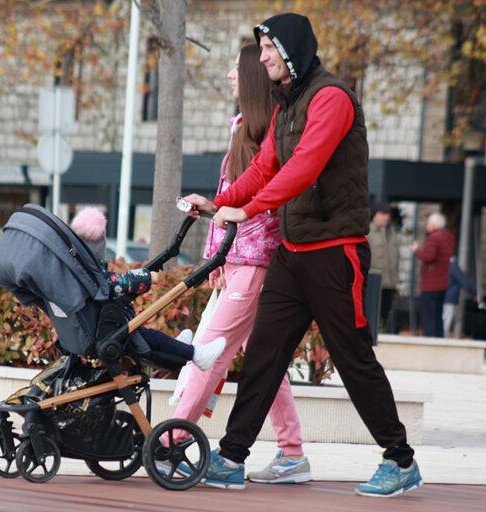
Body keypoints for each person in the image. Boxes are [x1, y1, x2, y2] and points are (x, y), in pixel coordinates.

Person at [183, 13, 422, 497]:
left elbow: (303, 168)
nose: (262, 59)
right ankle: (231, 457)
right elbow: (265, 166)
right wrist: (219, 204)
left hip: (335, 254)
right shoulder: (285, 104)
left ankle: (400, 460)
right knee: (263, 356)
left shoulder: (331, 98)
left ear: (291, 50)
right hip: (292, 255)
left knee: (353, 359)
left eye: (268, 49)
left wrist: (247, 209)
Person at [170, 44, 309, 485]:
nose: (230, 75)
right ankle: (292, 453)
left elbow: (255, 201)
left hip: (253, 261)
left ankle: (171, 442)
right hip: (241, 259)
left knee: (208, 352)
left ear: (251, 78)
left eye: (235, 69)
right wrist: (218, 256)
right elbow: (229, 196)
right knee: (265, 361)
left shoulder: (268, 133)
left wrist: (226, 252)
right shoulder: (242, 127)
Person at [69, 207, 225, 371]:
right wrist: (147, 277)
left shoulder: (79, 269)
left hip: (104, 329)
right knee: (152, 338)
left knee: (150, 338)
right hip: (107, 332)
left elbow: (111, 281)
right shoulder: (89, 274)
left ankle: (177, 347)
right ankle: (196, 354)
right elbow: (116, 283)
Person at [411, 212, 455, 338]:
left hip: (431, 284)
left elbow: (429, 256)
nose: (427, 225)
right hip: (443, 283)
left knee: (428, 316)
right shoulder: (448, 236)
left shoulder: (433, 237)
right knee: (438, 316)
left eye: (428, 223)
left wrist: (416, 250)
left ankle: (430, 341)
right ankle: (440, 340)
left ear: (434, 224)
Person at [367, 202, 399, 332]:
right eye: (383, 214)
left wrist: (395, 284)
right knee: (372, 313)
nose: (387, 217)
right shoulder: (367, 232)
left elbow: (395, 259)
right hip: (373, 282)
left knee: (385, 314)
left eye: (388, 214)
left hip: (389, 283)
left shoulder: (391, 233)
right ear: (375, 215)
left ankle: (382, 330)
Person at [443, 256, 476, 337]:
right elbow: (463, 282)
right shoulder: (452, 265)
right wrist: (474, 293)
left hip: (439, 297)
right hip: (449, 299)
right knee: (445, 324)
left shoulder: (441, 263)